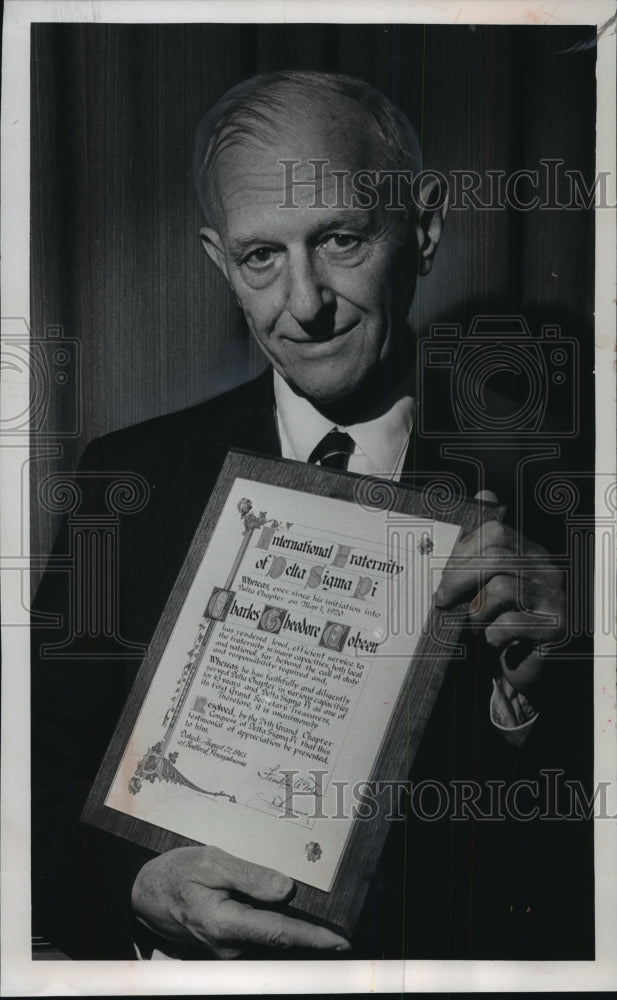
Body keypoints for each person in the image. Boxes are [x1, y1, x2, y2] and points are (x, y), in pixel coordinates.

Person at [31, 70, 593, 961]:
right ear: (220, 262)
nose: (304, 304)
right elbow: (29, 800)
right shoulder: (124, 480)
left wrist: (540, 699)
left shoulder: (567, 502)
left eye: (339, 239)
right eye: (262, 257)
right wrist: (137, 889)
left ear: (424, 225)